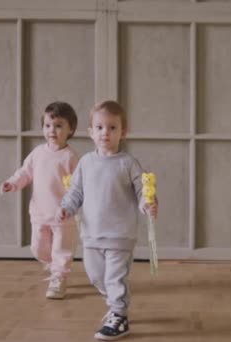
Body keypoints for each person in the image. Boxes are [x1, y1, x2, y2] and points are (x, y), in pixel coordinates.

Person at [56, 100, 158, 340]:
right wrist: (66, 208)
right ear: (91, 132)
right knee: (95, 276)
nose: (106, 133)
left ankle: (119, 315)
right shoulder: (86, 163)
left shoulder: (128, 163)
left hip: (120, 235)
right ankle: (114, 302)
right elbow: (76, 192)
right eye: (100, 127)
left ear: (123, 132)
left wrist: (147, 204)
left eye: (112, 128)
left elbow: (142, 190)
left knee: (114, 276)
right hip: (91, 235)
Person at [1, 101, 79, 299]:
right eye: (47, 125)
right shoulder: (37, 153)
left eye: (59, 125)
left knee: (62, 248)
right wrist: (12, 183)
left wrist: (73, 202)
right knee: (38, 248)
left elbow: (79, 184)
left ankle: (59, 277)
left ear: (71, 129)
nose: (52, 130)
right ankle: (52, 265)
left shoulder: (70, 157)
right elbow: (25, 172)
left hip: (63, 214)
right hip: (39, 212)